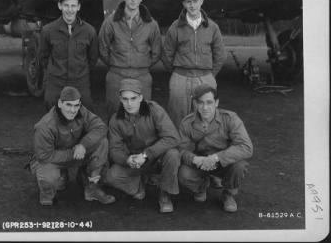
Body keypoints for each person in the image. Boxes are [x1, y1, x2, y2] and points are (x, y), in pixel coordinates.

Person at [30, 86, 115, 206]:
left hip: (77, 152)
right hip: (53, 158)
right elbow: (44, 156)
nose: (73, 110)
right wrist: (73, 153)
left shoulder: (81, 111)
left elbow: (100, 127)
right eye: (68, 105)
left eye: (76, 105)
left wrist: (83, 145)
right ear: (60, 103)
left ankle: (92, 187)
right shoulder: (44, 126)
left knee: (102, 142)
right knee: (49, 178)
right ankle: (48, 193)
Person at [105, 78, 181, 213]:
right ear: (120, 99)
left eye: (133, 98)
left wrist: (146, 154)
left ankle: (165, 194)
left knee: (173, 154)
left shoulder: (155, 110)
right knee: (112, 177)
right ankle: (138, 184)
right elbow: (114, 150)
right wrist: (127, 160)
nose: (129, 103)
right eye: (125, 99)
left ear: (141, 97)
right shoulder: (115, 120)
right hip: (135, 162)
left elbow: (173, 137)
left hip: (156, 157)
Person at [178, 84, 253, 212]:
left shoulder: (230, 118)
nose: (205, 107)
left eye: (209, 102)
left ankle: (228, 194)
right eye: (200, 103)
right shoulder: (187, 122)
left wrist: (216, 157)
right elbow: (181, 149)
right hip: (200, 163)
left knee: (239, 166)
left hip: (223, 162)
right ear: (195, 104)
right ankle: (201, 186)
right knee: (183, 174)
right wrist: (195, 159)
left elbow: (246, 147)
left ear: (216, 103)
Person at [162, 0, 227, 128]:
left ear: (202, 1)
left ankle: (203, 149)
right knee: (177, 117)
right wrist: (177, 74)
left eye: (195, 1)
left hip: (205, 77)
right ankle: (178, 148)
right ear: (184, 3)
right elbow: (166, 55)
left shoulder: (212, 27)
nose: (192, 5)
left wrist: (209, 75)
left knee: (205, 117)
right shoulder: (175, 27)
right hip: (180, 77)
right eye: (188, 2)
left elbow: (220, 55)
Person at [99, 0, 162, 120]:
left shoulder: (151, 24)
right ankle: (114, 142)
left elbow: (156, 51)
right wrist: (116, 64)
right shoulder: (111, 21)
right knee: (114, 114)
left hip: (142, 76)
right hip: (117, 76)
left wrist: (141, 65)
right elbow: (102, 48)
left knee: (143, 115)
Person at [40, 0, 98, 111]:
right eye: (66, 5)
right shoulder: (48, 31)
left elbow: (92, 59)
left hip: (80, 83)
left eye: (73, 6)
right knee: (53, 116)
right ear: (59, 6)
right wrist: (56, 74)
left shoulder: (89, 31)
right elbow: (43, 58)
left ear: (78, 7)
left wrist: (80, 74)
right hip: (56, 84)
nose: (69, 10)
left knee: (85, 115)